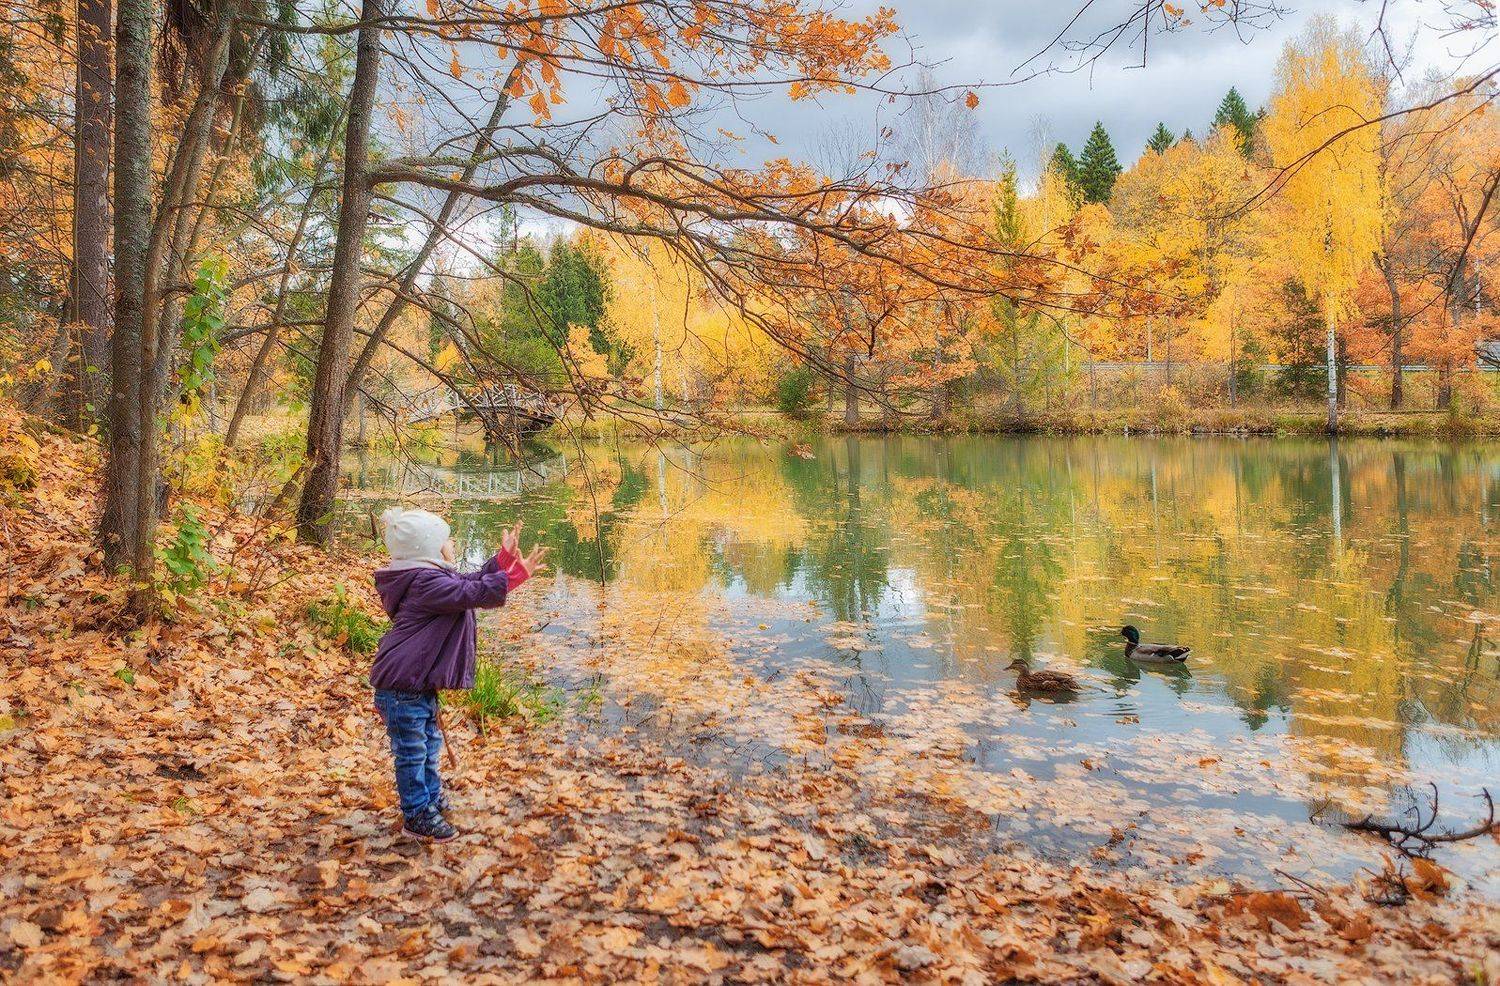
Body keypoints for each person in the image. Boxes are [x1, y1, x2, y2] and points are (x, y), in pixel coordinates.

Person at [370, 507, 548, 842]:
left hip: (412, 683)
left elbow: (469, 582)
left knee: (428, 745)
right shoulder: (426, 583)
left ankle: (430, 799)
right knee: (412, 752)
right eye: (446, 540)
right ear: (430, 549)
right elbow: (471, 593)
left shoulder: (428, 578)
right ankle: (417, 814)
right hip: (402, 686)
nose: (451, 543)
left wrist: (502, 561)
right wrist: (515, 575)